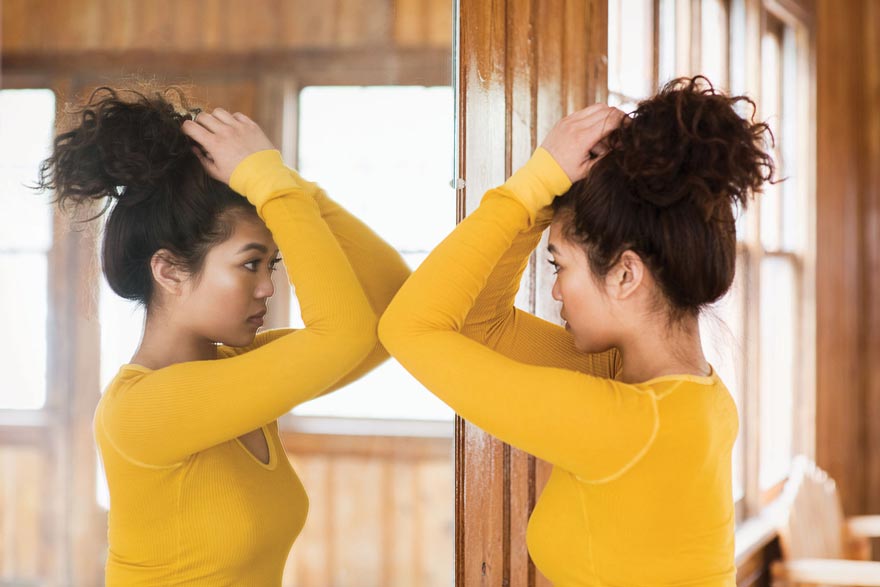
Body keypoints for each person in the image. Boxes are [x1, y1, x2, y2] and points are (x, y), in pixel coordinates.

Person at [379, 76, 774, 585]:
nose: (556, 293)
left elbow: (408, 327)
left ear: (626, 274)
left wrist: (536, 181)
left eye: (560, 266)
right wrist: (544, 201)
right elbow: (482, 324)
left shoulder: (624, 422)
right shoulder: (680, 398)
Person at [37, 87, 410, 585]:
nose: (267, 287)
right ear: (169, 271)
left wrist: (292, 188)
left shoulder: (238, 372)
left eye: (271, 263)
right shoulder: (142, 409)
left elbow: (387, 317)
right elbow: (342, 335)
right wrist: (270, 182)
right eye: (250, 264)